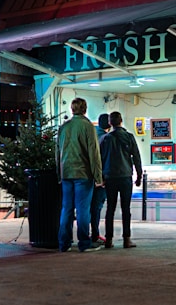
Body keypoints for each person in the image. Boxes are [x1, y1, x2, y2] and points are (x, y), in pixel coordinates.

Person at [56, 98, 104, 252]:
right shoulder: (88, 126)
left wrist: (59, 173)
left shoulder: (63, 127)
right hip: (83, 173)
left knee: (66, 209)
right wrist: (98, 176)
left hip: (66, 173)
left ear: (71, 109)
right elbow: (94, 152)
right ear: (85, 109)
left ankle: (64, 244)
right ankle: (84, 243)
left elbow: (57, 152)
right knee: (83, 209)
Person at [100, 111, 143, 249]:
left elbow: (100, 159)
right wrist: (139, 175)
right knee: (126, 209)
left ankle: (108, 240)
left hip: (110, 177)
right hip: (125, 177)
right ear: (121, 121)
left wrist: (101, 177)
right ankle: (126, 239)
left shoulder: (105, 139)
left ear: (110, 122)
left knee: (110, 209)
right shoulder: (129, 137)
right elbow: (136, 156)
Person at [90, 113, 110, 244]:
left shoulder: (91, 135)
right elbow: (104, 159)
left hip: (85, 176)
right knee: (96, 207)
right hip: (100, 178)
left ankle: (86, 234)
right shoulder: (106, 138)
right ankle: (95, 235)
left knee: (86, 207)